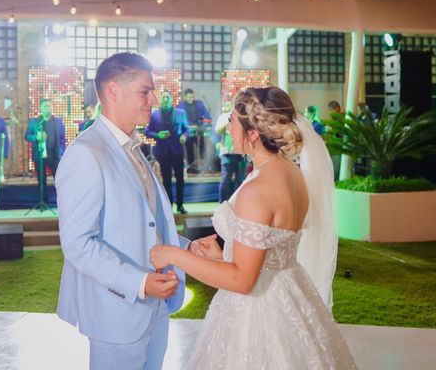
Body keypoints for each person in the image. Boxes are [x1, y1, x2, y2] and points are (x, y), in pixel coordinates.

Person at [150, 86, 356, 369]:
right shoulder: (291, 173)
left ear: (253, 133)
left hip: (257, 313)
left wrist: (173, 255)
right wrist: (223, 256)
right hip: (289, 295)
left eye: (233, 121)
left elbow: (242, 280)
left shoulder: (258, 189)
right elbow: (269, 254)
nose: (228, 129)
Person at [56, 52, 195, 369]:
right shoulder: (86, 154)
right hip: (117, 310)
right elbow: (78, 243)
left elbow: (146, 224)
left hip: (155, 305)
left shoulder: (131, 147)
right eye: (145, 91)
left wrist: (186, 249)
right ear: (113, 91)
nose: (153, 100)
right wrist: (139, 282)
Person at [145, 91, 190, 214]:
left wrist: (185, 135)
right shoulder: (154, 115)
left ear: (171, 99)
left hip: (177, 151)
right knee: (166, 180)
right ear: (160, 100)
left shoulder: (181, 113)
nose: (165, 99)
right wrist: (158, 135)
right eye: (163, 97)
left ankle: (180, 205)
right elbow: (147, 131)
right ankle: (168, 205)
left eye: (167, 97)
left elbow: (187, 129)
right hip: (162, 152)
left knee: (180, 179)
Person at [25, 99, 66, 204]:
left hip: (54, 155)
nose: (48, 108)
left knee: (59, 180)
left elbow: (62, 138)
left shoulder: (58, 121)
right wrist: (36, 137)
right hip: (40, 155)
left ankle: (62, 202)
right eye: (45, 106)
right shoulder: (35, 121)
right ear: (41, 108)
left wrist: (61, 151)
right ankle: (43, 202)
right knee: (42, 181)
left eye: (49, 106)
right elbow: (27, 136)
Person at [215, 100, 246, 202]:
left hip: (240, 153)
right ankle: (222, 202)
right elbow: (218, 131)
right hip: (227, 152)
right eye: (227, 105)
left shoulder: (241, 116)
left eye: (231, 105)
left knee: (240, 180)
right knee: (226, 179)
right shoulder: (223, 117)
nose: (229, 107)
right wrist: (227, 122)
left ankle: (237, 203)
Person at [177, 88, 212, 173]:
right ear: (185, 97)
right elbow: (178, 119)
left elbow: (207, 117)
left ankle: (204, 166)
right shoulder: (181, 106)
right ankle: (191, 166)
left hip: (199, 130)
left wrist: (203, 120)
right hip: (188, 131)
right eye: (189, 97)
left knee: (202, 148)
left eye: (192, 97)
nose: (191, 99)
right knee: (189, 149)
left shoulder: (199, 104)